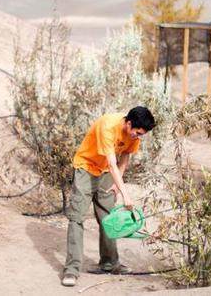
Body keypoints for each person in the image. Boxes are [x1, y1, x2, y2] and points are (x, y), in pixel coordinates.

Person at [61, 106, 156, 287]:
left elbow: (125, 156)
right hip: (86, 169)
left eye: (141, 135)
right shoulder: (108, 125)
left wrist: (116, 185)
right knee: (76, 219)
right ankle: (71, 270)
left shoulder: (134, 134)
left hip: (105, 172)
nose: (138, 136)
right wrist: (126, 195)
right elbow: (112, 162)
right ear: (128, 124)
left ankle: (109, 263)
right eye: (137, 133)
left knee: (109, 218)